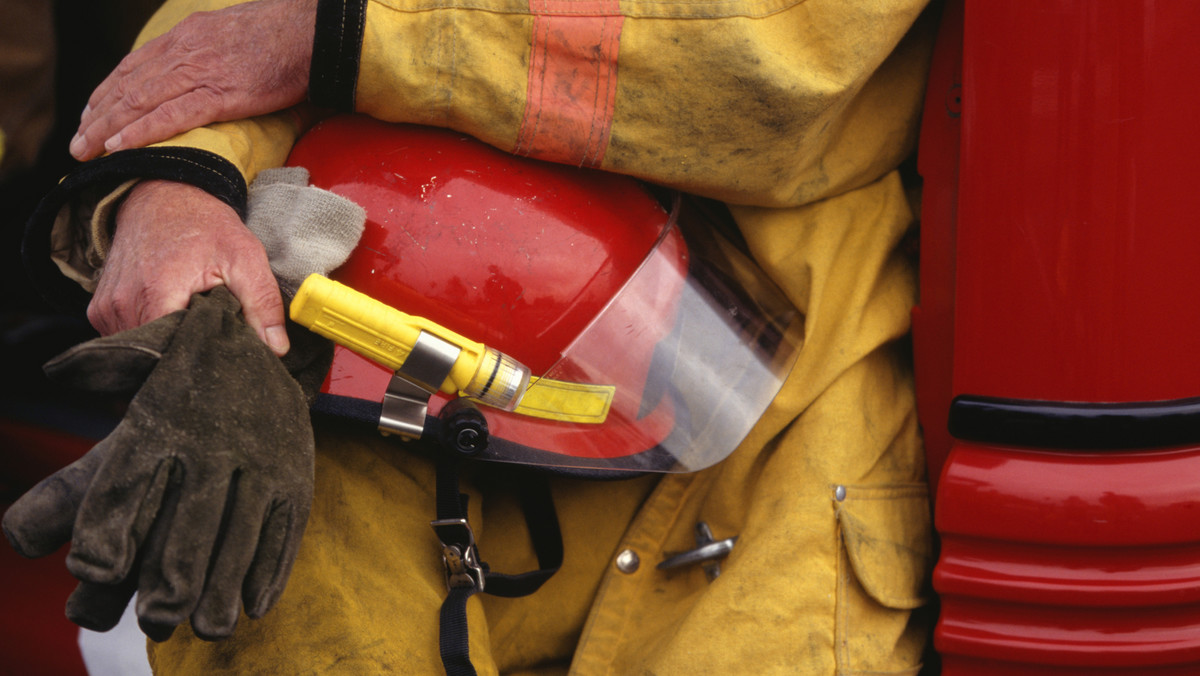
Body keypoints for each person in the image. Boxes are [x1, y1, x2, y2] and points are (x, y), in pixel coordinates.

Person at [28, 0, 938, 672]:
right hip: (357, 399)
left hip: (767, 430)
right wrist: (178, 189)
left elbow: (778, 71)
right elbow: (225, 35)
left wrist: (349, 35)